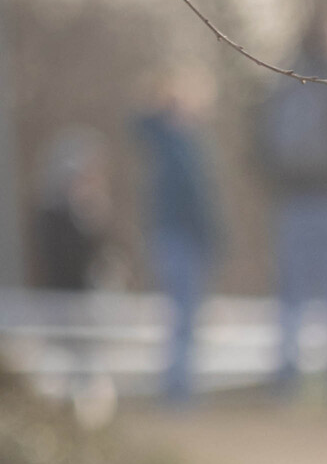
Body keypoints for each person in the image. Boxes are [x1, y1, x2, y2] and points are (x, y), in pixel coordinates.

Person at [254, 3, 327, 395]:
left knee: (291, 294)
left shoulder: (285, 78)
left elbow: (260, 140)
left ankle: (285, 382)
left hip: (292, 200)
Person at [129, 63, 223, 403]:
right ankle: (177, 390)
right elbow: (139, 122)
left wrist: (213, 237)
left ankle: (181, 387)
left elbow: (205, 200)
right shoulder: (167, 140)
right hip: (174, 237)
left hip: (191, 239)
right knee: (180, 315)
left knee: (188, 316)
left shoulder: (192, 143)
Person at [29, 127, 115, 293]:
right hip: (60, 295)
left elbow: (100, 258)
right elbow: (58, 263)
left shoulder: (92, 211)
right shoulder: (52, 215)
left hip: (84, 296)